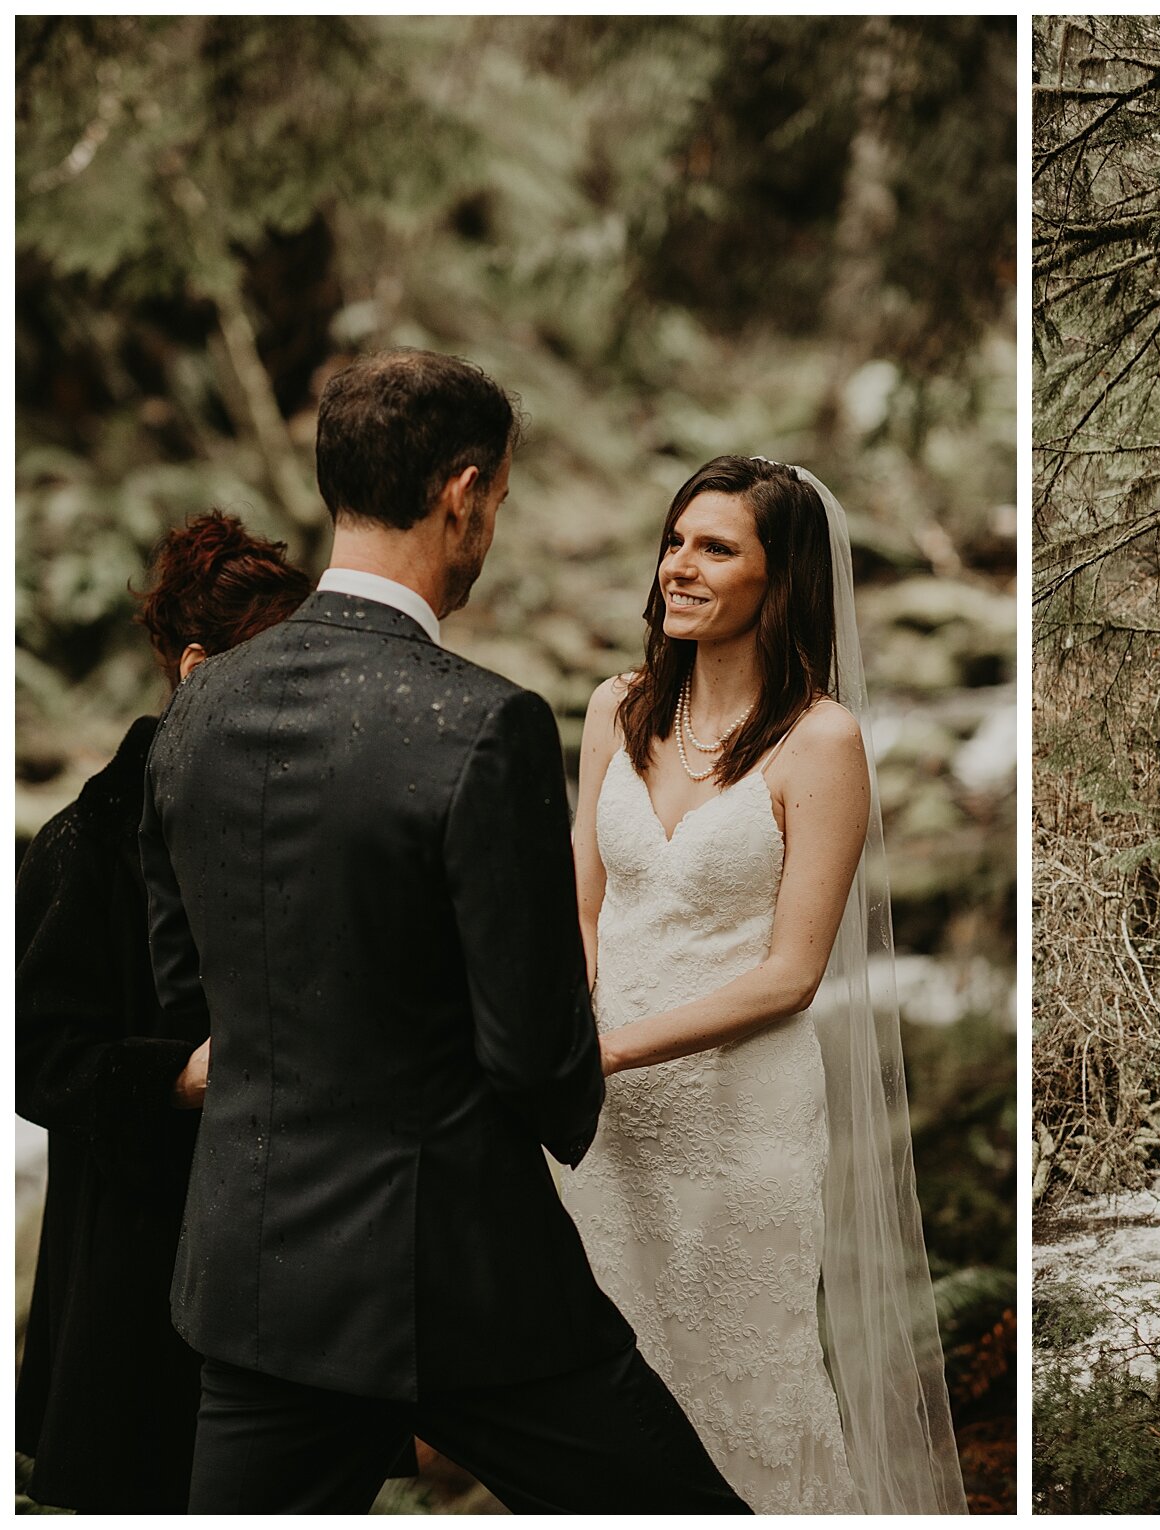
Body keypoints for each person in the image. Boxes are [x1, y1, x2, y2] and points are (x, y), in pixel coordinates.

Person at [139, 348, 747, 1514]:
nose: (492, 530)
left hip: (259, 1276)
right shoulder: (483, 724)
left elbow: (189, 990)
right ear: (462, 493)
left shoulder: (198, 703)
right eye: (500, 503)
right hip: (464, 1279)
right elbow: (531, 1042)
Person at [560, 454, 965, 1513]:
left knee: (738, 1384)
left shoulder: (819, 740)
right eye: (674, 541)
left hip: (738, 1116)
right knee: (606, 1391)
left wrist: (605, 1050)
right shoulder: (618, 708)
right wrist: (568, 1040)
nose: (677, 569)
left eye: (714, 548)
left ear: (777, 578)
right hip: (601, 1121)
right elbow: (582, 908)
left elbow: (791, 976)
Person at [16, 514, 310, 1511]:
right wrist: (181, 1076)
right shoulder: (82, 845)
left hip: (293, 1257)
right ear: (197, 669)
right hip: (138, 1270)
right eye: (288, 665)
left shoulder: (314, 819)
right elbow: (39, 1061)